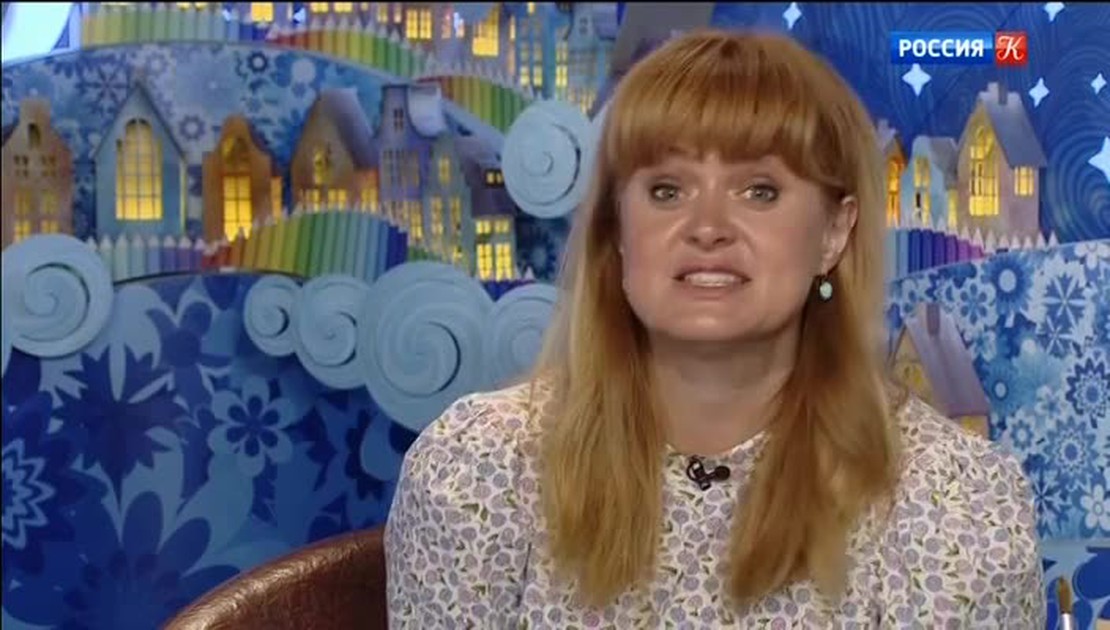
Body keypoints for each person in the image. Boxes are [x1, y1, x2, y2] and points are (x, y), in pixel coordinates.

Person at [385, 29, 1045, 627]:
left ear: (834, 232)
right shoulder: (478, 473)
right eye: (667, 190)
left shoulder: (951, 504)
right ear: (618, 230)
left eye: (759, 190)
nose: (707, 227)